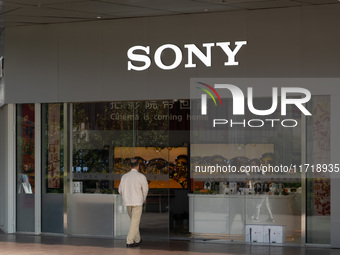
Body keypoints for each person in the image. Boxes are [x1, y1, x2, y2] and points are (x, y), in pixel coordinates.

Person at [119, 158, 149, 248]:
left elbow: (120, 190)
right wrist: (144, 199)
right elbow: (145, 190)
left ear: (130, 166)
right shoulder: (141, 177)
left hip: (127, 202)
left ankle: (138, 239)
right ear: (138, 166)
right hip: (137, 202)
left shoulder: (124, 176)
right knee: (134, 222)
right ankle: (129, 241)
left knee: (133, 222)